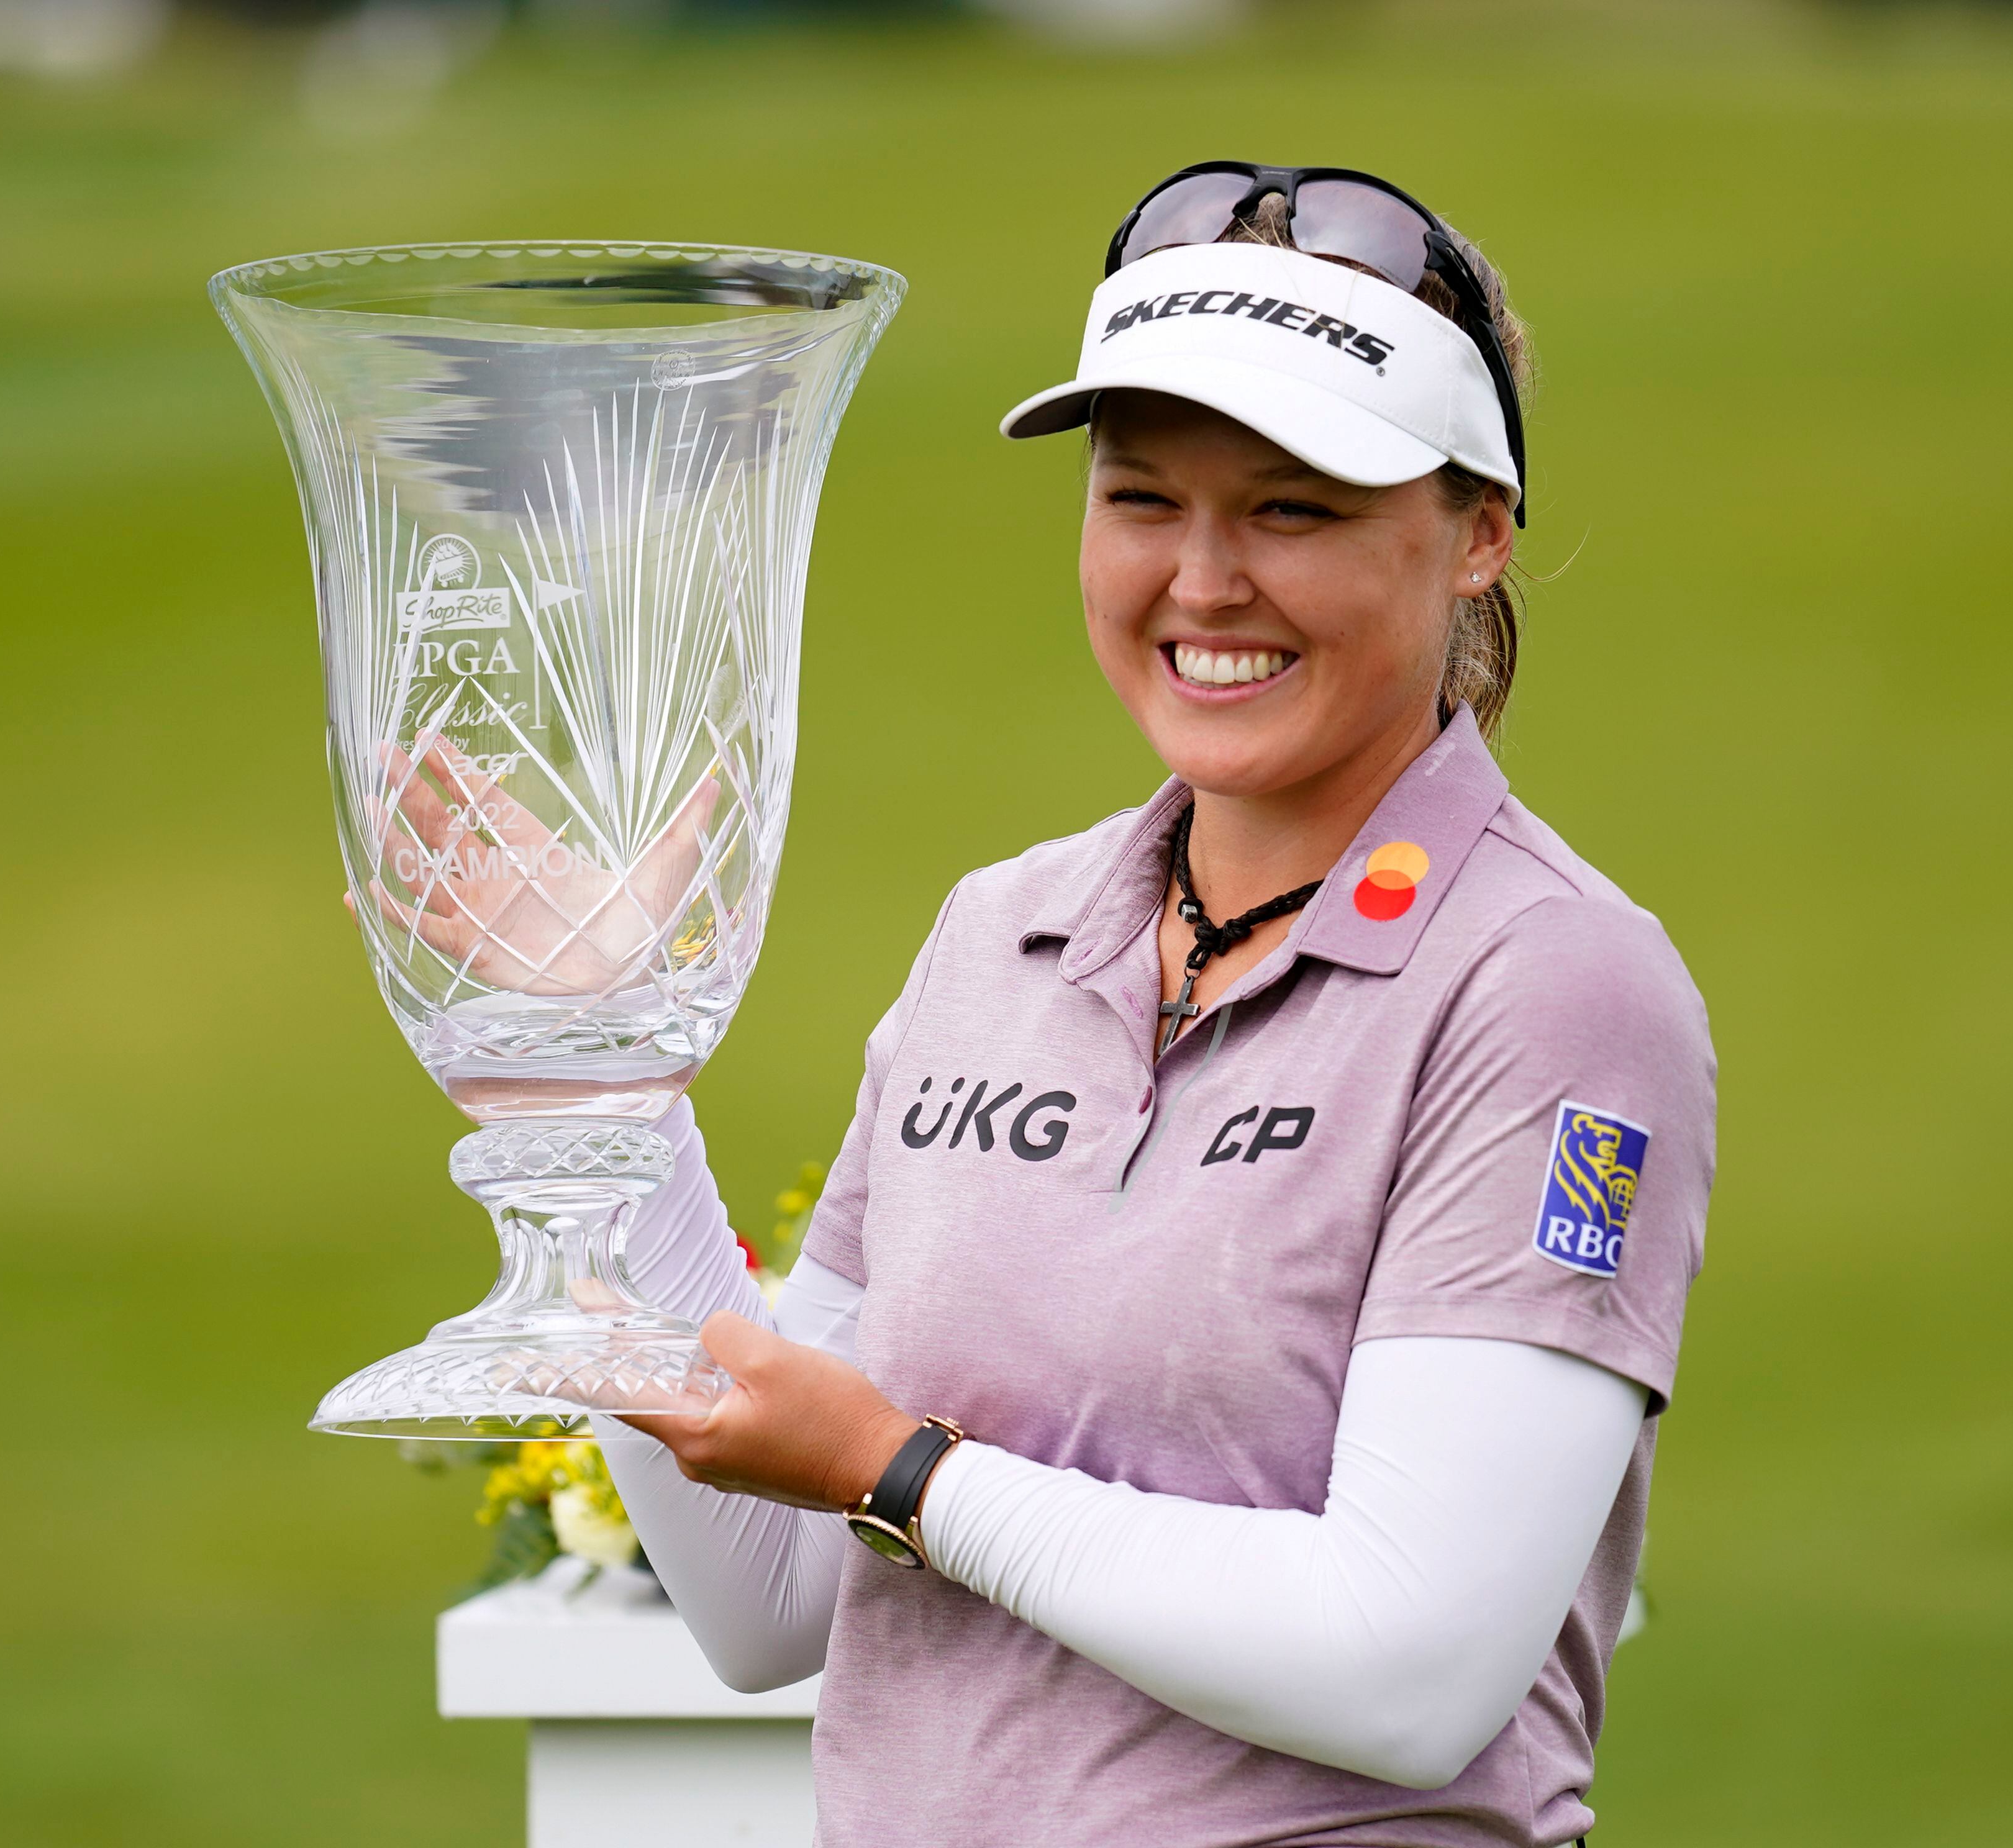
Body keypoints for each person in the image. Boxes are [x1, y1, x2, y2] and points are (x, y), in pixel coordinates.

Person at [586, 163, 1715, 1848]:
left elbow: (1409, 1669)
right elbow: (762, 1596)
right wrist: (594, 1066)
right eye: (1141, 500)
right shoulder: (1004, 932)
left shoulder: (1554, 986)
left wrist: (907, 1474)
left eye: (1293, 509)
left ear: (1477, 537)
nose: (1201, 583)